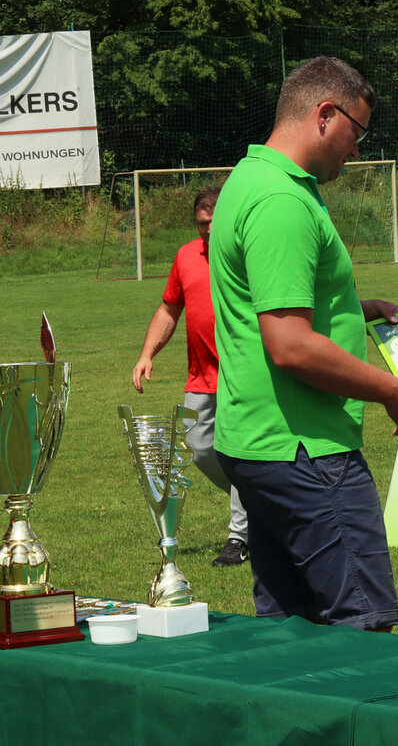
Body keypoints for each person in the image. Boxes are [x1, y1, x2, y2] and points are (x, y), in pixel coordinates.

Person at [209, 56, 398, 631]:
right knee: (361, 624)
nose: (357, 149)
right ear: (325, 115)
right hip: (305, 448)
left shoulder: (247, 179)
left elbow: (273, 303)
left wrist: (357, 312)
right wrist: (394, 392)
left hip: (258, 445)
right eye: (357, 132)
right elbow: (289, 344)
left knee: (290, 629)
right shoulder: (282, 202)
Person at [131, 186, 250, 567]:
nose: (210, 231)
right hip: (201, 375)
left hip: (245, 372)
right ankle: (261, 498)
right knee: (200, 448)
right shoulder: (185, 256)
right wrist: (148, 353)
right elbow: (169, 309)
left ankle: (240, 538)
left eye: (216, 222)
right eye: (203, 224)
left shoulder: (246, 250)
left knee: (238, 452)